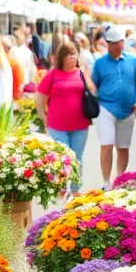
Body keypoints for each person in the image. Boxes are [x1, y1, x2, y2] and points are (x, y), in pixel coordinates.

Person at [91, 25, 136, 183]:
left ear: (122, 42)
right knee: (106, 144)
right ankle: (106, 182)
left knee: (123, 147)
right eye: (110, 42)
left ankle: (119, 179)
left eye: (116, 42)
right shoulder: (100, 63)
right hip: (106, 108)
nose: (112, 46)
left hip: (127, 110)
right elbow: (94, 85)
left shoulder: (133, 61)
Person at [37, 40, 93, 192]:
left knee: (77, 157)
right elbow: (40, 97)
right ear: (61, 58)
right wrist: (43, 117)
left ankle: (75, 189)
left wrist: (85, 72)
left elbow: (92, 90)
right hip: (57, 126)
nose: (71, 58)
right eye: (68, 55)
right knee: (62, 157)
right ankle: (61, 187)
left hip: (80, 124)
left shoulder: (81, 73)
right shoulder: (53, 75)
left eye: (73, 54)